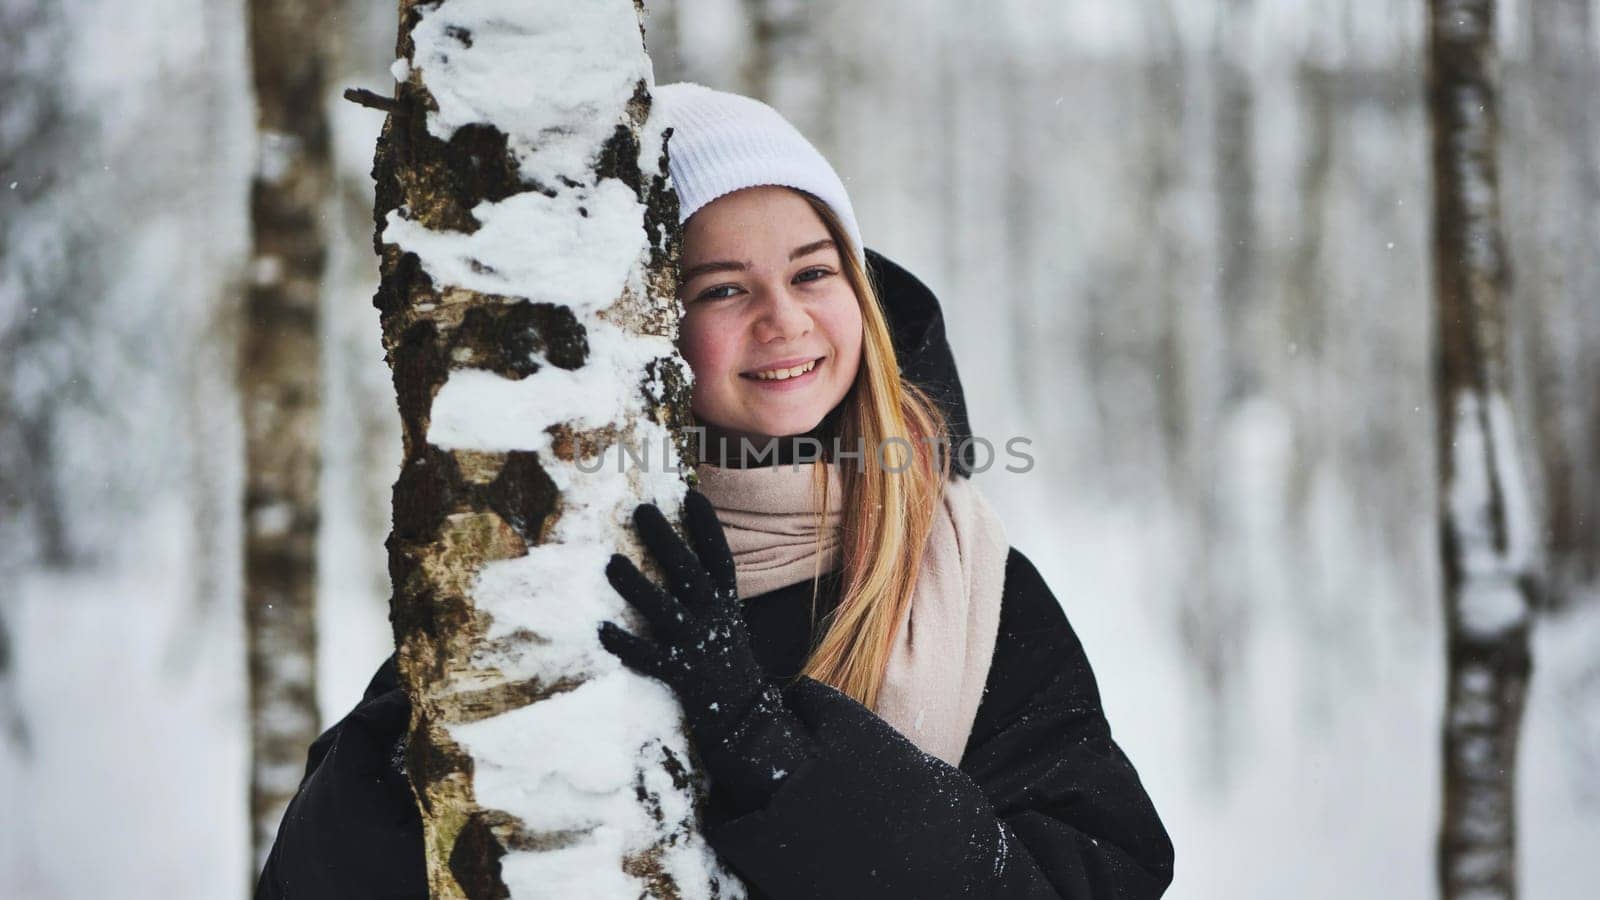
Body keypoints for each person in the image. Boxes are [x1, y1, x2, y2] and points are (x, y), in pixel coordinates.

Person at [255, 82, 1174, 899]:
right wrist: (444, 710)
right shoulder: (568, 548)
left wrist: (775, 752)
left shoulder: (963, 577)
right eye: (723, 289)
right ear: (649, 320)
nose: (785, 320)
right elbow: (317, 879)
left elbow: (1092, 875)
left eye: (814, 271)